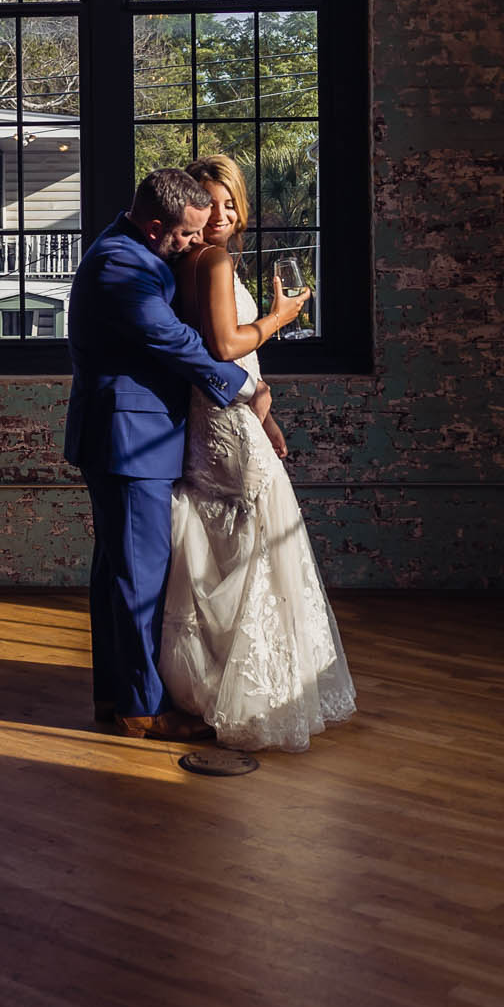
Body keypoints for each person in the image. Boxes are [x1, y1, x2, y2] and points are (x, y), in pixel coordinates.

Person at [156, 153, 355, 752]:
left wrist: (265, 414)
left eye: (229, 203)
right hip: (227, 425)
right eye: (208, 202)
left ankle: (212, 686)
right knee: (256, 546)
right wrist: (279, 317)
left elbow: (216, 358)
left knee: (223, 549)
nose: (220, 214)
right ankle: (259, 695)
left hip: (213, 420)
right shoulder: (213, 260)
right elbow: (224, 346)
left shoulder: (185, 262)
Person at [65, 169, 273, 741]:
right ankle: (143, 709)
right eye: (185, 234)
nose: (191, 244)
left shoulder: (130, 249)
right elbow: (171, 339)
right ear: (157, 225)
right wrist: (245, 386)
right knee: (140, 581)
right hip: (129, 441)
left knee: (118, 573)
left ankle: (115, 694)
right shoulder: (120, 262)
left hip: (125, 439)